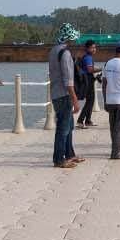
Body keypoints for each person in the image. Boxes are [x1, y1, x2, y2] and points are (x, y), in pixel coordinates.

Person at [48, 24, 84, 168]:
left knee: (68, 125)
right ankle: (59, 159)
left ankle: (70, 154)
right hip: (64, 94)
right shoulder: (65, 53)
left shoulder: (53, 51)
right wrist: (75, 100)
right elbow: (68, 80)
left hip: (56, 93)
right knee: (63, 128)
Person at [76, 40, 99, 128]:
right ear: (87, 48)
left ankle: (88, 120)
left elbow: (89, 68)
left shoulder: (86, 57)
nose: (94, 49)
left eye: (95, 47)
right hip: (87, 81)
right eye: (92, 48)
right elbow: (90, 70)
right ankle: (80, 121)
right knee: (89, 101)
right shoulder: (88, 57)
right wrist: (101, 69)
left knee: (91, 101)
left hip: (88, 80)